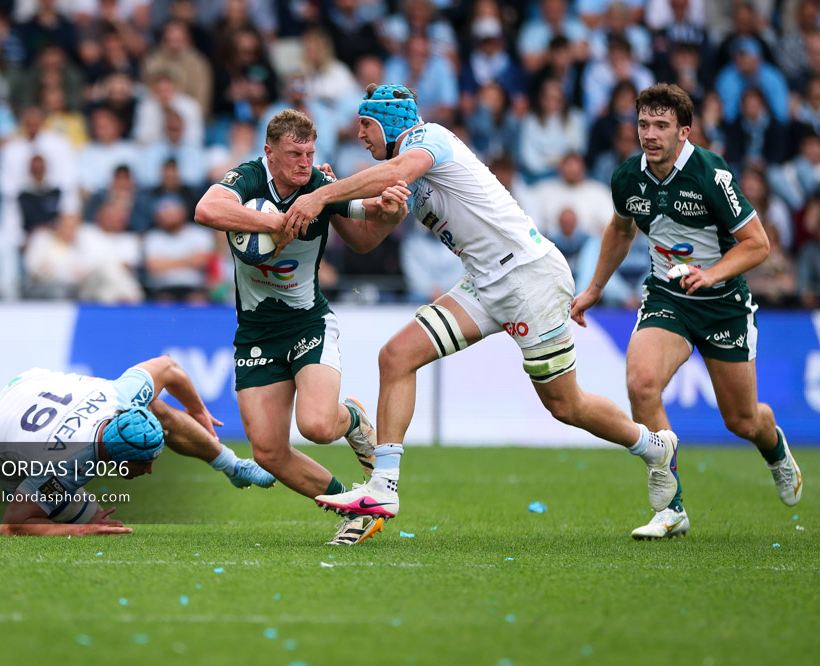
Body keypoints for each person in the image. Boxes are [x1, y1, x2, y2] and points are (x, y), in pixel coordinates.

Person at [284, 84, 680, 538]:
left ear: (390, 123)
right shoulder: (404, 177)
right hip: (485, 282)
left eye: (365, 125)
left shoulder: (427, 138)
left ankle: (653, 447)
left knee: (566, 405)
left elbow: (394, 168)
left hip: (529, 278)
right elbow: (367, 238)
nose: (359, 135)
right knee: (396, 357)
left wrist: (321, 194)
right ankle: (383, 486)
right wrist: (337, 205)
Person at [570, 83, 802, 539]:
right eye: (643, 124)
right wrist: (595, 287)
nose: (650, 134)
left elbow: (758, 244)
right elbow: (620, 231)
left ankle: (773, 446)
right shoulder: (626, 177)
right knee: (641, 384)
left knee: (742, 421)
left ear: (684, 131)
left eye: (661, 125)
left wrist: (711, 274)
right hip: (667, 297)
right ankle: (670, 507)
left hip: (722, 307)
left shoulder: (710, 174)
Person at [194, 109, 409, 546]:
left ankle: (351, 419)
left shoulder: (321, 187)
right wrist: (275, 222)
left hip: (308, 321)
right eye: (294, 153)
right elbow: (205, 209)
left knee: (316, 426)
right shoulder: (249, 179)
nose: (304, 163)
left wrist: (389, 214)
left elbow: (365, 238)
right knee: (269, 452)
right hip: (255, 332)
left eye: (310, 153)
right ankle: (350, 505)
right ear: (269, 152)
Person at [0, 356, 275, 536]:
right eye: (143, 463)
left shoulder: (124, 397)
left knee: (156, 408)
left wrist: (196, 409)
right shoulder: (62, 469)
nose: (149, 470)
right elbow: (14, 525)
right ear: (118, 457)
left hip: (33, 384)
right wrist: (82, 529)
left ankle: (233, 465)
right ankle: (79, 516)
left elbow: (168, 366)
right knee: (86, 520)